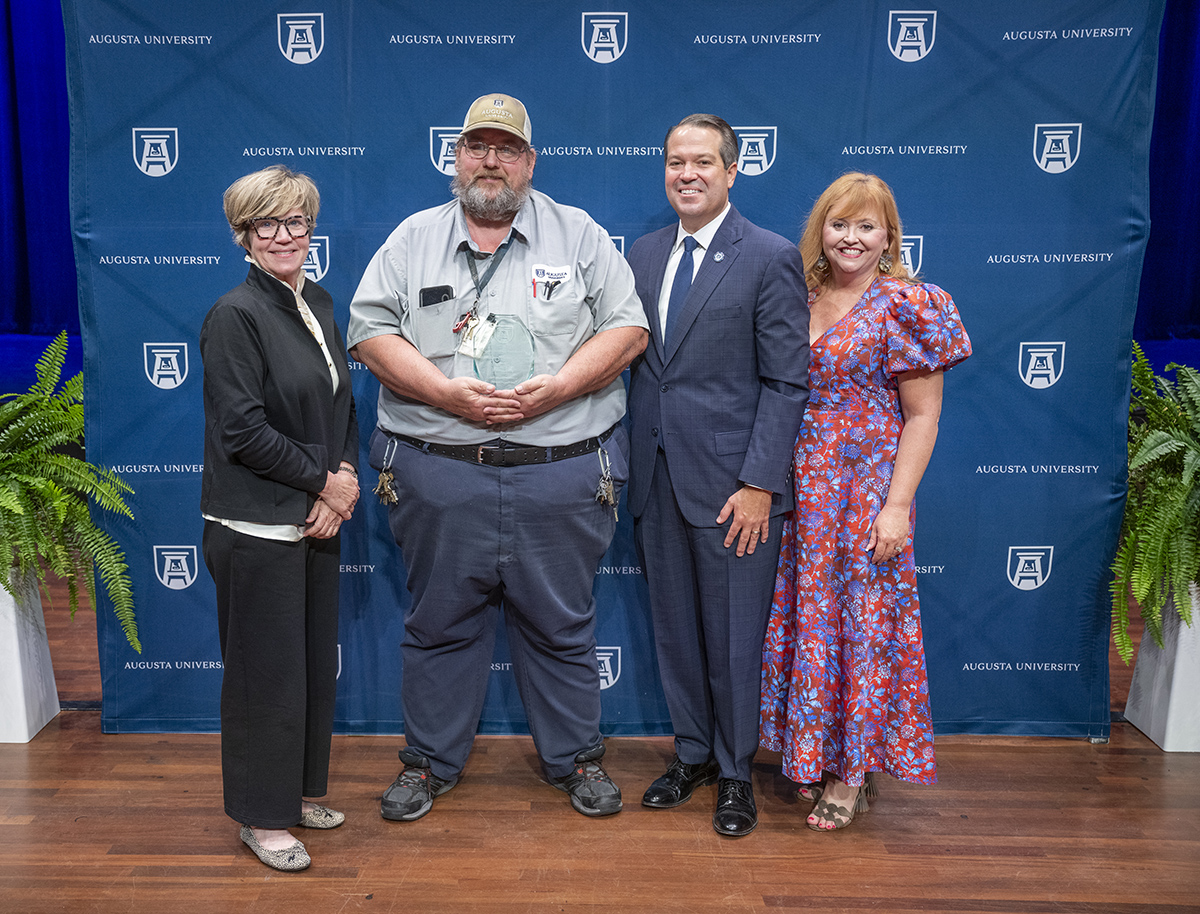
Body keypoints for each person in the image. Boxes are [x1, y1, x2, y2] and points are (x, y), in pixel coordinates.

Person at [347, 93, 648, 821]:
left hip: (562, 471)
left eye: (506, 148)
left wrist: (558, 389)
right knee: (439, 622)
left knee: (562, 624)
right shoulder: (413, 238)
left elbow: (628, 328)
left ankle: (575, 760)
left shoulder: (577, 236)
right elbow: (369, 332)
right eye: (477, 145)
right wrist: (448, 396)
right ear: (455, 157)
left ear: (529, 161)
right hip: (440, 472)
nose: (491, 159)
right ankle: (427, 764)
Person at [760, 172, 971, 831]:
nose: (851, 237)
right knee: (813, 629)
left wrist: (897, 505)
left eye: (866, 226)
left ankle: (851, 777)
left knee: (862, 632)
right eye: (839, 224)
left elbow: (924, 417)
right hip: (802, 494)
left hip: (864, 493)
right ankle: (816, 756)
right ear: (820, 231)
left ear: (888, 236)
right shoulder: (800, 291)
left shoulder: (908, 303)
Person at [625, 114, 810, 837]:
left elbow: (787, 382)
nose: (687, 174)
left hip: (737, 489)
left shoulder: (768, 256)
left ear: (732, 172)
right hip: (655, 478)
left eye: (703, 161)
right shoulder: (642, 254)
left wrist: (762, 483)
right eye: (676, 161)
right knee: (674, 632)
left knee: (734, 639)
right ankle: (695, 755)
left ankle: (736, 774)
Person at [200, 165, 360, 871]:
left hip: (313, 519)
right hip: (257, 527)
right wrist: (326, 485)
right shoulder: (236, 315)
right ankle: (262, 819)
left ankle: (293, 795)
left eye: (296, 220)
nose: (285, 235)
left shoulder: (318, 302)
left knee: (304, 671)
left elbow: (341, 407)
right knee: (265, 678)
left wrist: (345, 478)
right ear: (244, 234)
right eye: (268, 223)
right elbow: (243, 433)